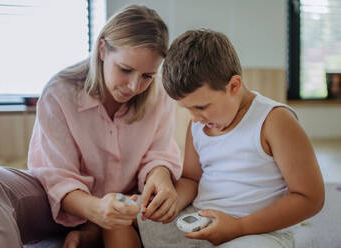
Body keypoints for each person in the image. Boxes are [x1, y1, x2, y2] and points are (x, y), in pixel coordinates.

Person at [0, 5, 182, 248]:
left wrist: (161, 178)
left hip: (128, 206)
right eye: (125, 69)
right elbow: (56, 178)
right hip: (60, 205)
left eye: (147, 76)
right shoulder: (59, 92)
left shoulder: (160, 96)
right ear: (102, 49)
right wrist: (95, 210)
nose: (134, 86)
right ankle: (93, 229)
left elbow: (158, 155)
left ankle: (94, 232)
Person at [138, 29, 325, 248]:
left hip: (257, 230)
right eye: (186, 109)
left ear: (234, 86)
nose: (194, 118)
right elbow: (191, 179)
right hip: (200, 220)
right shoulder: (199, 123)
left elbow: (310, 198)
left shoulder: (274, 121)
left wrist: (239, 226)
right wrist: (173, 202)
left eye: (201, 107)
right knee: (130, 223)